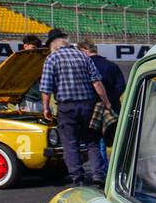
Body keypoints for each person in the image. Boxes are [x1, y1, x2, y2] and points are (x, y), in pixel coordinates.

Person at [38, 28, 113, 187]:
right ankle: (98, 174)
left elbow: (46, 87)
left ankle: (77, 176)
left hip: (67, 107)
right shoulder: (82, 56)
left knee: (70, 142)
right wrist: (105, 101)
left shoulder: (52, 59)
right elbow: (97, 82)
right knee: (92, 141)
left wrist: (45, 108)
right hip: (88, 105)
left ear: (53, 45)